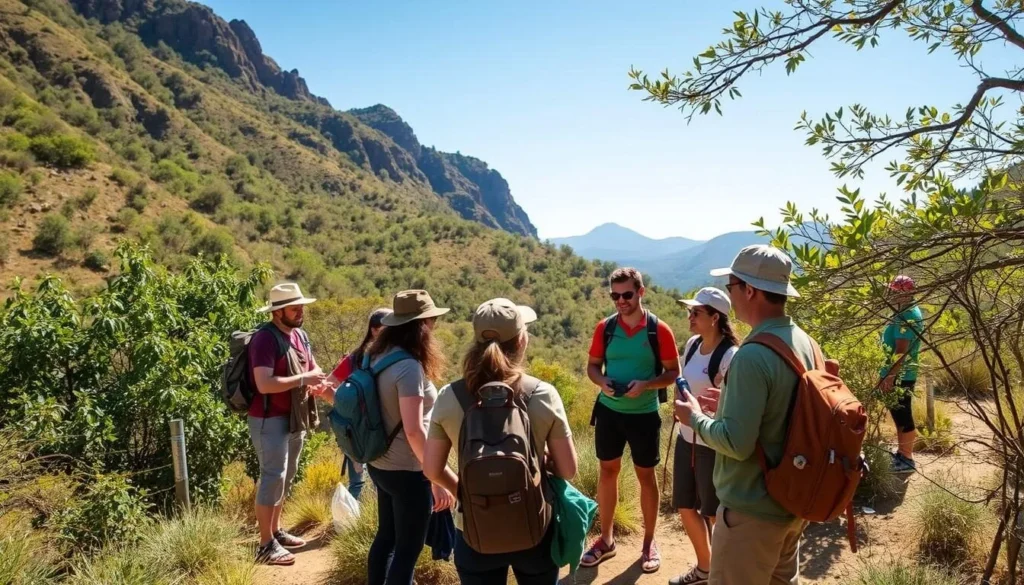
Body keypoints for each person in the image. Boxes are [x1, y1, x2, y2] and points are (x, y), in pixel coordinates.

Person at [674, 245, 811, 585]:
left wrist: (694, 417)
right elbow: (784, 412)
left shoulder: (752, 355)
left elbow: (736, 444)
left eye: (731, 286)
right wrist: (731, 403)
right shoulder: (804, 342)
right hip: (792, 502)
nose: (730, 295)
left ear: (749, 290)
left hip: (753, 511)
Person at [424, 298, 578, 585]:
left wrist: (464, 493)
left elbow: (432, 469)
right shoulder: (543, 394)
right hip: (535, 527)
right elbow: (568, 469)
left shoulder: (450, 396)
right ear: (522, 340)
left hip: (474, 530)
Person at [339, 289, 458, 585]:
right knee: (408, 549)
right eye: (432, 321)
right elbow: (414, 430)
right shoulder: (408, 367)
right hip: (408, 470)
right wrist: (440, 477)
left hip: (380, 464)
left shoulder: (376, 355)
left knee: (387, 538)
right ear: (420, 325)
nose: (434, 327)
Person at [581, 267, 679, 574]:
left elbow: (673, 373)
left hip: (644, 414)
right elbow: (593, 367)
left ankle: (649, 542)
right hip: (610, 411)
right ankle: (606, 541)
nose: (621, 301)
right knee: (607, 471)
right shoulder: (605, 328)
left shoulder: (658, 330)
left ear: (641, 292)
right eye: (615, 295)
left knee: (646, 476)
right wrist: (602, 382)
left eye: (626, 294)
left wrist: (646, 385)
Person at [248, 282, 327, 566]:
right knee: (273, 476)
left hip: (295, 417)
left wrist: (313, 377)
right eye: (294, 308)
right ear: (277, 312)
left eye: (301, 306)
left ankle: (276, 531)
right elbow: (264, 383)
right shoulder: (265, 339)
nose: (300, 311)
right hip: (268, 419)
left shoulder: (300, 336)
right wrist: (303, 380)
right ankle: (265, 544)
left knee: (286, 475)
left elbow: (314, 368)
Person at [670, 287, 739, 585]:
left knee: (713, 513)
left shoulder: (731, 357)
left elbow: (738, 404)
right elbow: (683, 379)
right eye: (690, 311)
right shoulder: (693, 344)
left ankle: (724, 575)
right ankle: (706, 569)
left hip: (712, 443)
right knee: (686, 506)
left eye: (696, 312)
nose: (690, 317)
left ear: (715, 317)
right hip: (687, 439)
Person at [324, 307, 393, 500]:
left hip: (381, 429)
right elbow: (329, 385)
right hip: (357, 431)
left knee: (379, 485)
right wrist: (347, 408)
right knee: (358, 483)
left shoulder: (390, 357)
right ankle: (351, 527)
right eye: (386, 328)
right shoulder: (355, 359)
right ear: (374, 330)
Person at [880, 275, 924, 474]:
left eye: (896, 292)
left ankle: (907, 459)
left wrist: (890, 376)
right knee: (899, 414)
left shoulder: (908, 315)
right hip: (899, 373)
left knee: (903, 414)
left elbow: (901, 350)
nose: (892, 295)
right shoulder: (903, 313)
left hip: (901, 374)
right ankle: (902, 453)